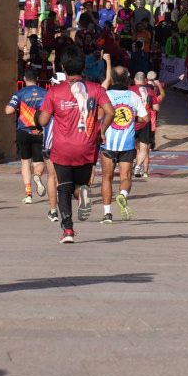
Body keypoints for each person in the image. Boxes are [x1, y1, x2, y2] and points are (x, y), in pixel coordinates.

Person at [38, 45, 113, 244]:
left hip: (62, 148)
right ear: (83, 68)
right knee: (80, 183)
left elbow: (43, 121)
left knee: (64, 187)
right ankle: (83, 192)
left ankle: (68, 230)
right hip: (87, 145)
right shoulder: (96, 89)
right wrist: (101, 130)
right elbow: (110, 112)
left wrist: (40, 115)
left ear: (62, 67)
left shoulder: (55, 92)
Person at [99, 67, 147, 222]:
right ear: (128, 80)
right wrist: (132, 119)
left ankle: (107, 214)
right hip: (127, 144)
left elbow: (100, 116)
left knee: (107, 178)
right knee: (126, 177)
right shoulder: (133, 96)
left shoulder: (105, 95)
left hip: (108, 144)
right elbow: (146, 119)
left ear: (112, 79)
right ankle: (123, 194)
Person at [5, 68, 50, 204]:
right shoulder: (46, 93)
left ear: (25, 79)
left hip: (23, 131)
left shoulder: (20, 93)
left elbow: (9, 111)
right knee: (39, 162)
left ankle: (28, 194)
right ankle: (37, 175)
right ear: (37, 79)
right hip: (39, 132)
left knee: (25, 161)